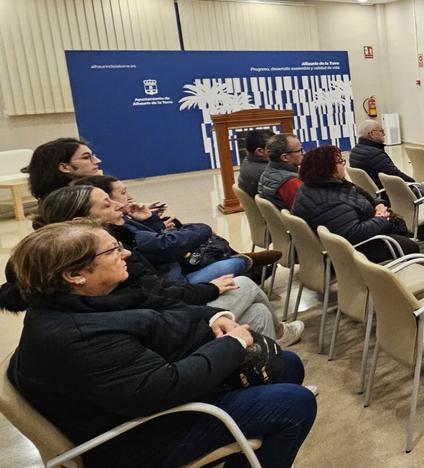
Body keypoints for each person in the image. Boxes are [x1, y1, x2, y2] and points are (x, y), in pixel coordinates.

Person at [3, 221, 316, 468]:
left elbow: (165, 305)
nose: (125, 253)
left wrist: (214, 318)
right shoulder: (75, 334)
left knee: (287, 364)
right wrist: (232, 344)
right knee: (294, 403)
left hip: (139, 406)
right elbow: (162, 389)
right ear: (74, 274)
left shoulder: (90, 297)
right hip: (129, 439)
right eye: (112, 251)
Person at [21, 185, 301, 343]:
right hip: (170, 319)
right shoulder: (105, 258)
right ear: (82, 221)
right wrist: (208, 291)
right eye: (108, 204)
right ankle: (277, 337)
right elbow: (158, 293)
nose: (120, 205)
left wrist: (151, 222)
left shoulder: (114, 241)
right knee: (243, 283)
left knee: (256, 314)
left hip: (172, 300)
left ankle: (271, 361)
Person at [72, 175, 271, 284]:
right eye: (109, 203)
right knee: (240, 274)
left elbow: (157, 239)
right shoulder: (115, 231)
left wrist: (150, 220)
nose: (126, 199)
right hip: (176, 279)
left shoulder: (120, 223)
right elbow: (164, 245)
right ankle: (245, 264)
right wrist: (204, 228)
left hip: (175, 270)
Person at [291, 145, 418, 260]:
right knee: (410, 247)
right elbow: (354, 233)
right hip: (353, 249)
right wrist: (381, 218)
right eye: (340, 162)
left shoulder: (318, 186)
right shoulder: (327, 201)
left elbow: (357, 198)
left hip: (357, 233)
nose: (343, 165)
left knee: (401, 233)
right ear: (327, 168)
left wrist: (378, 204)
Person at [26, 137, 103, 201]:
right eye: (86, 157)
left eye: (93, 156)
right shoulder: (69, 203)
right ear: (64, 167)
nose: (97, 161)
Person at [349, 119, 414, 189]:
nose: (384, 134)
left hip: (368, 193)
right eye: (381, 131)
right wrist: (414, 183)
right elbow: (396, 175)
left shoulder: (354, 151)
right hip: (386, 194)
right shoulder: (374, 154)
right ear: (372, 134)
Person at [258, 133, 304, 209]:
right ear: (285, 157)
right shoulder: (291, 183)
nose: (303, 153)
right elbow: (306, 212)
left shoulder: (267, 172)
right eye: (300, 150)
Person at [237, 129, 274, 196]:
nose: (281, 150)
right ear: (260, 151)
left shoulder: (247, 161)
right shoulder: (268, 174)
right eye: (275, 147)